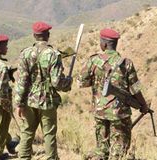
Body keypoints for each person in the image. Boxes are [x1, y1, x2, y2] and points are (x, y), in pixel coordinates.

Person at [77, 28, 149, 160]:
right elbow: (136, 89)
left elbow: (82, 82)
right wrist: (143, 105)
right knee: (118, 152)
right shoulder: (126, 64)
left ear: (103, 44)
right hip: (120, 114)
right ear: (115, 44)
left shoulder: (93, 61)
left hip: (100, 112)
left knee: (101, 151)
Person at [14, 21, 72, 160]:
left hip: (29, 99)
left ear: (34, 35)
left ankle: (23, 157)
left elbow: (22, 81)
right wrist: (68, 82)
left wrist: (19, 103)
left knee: (27, 131)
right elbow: (57, 82)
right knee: (49, 133)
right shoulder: (53, 54)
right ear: (48, 35)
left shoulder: (25, 54)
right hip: (48, 100)